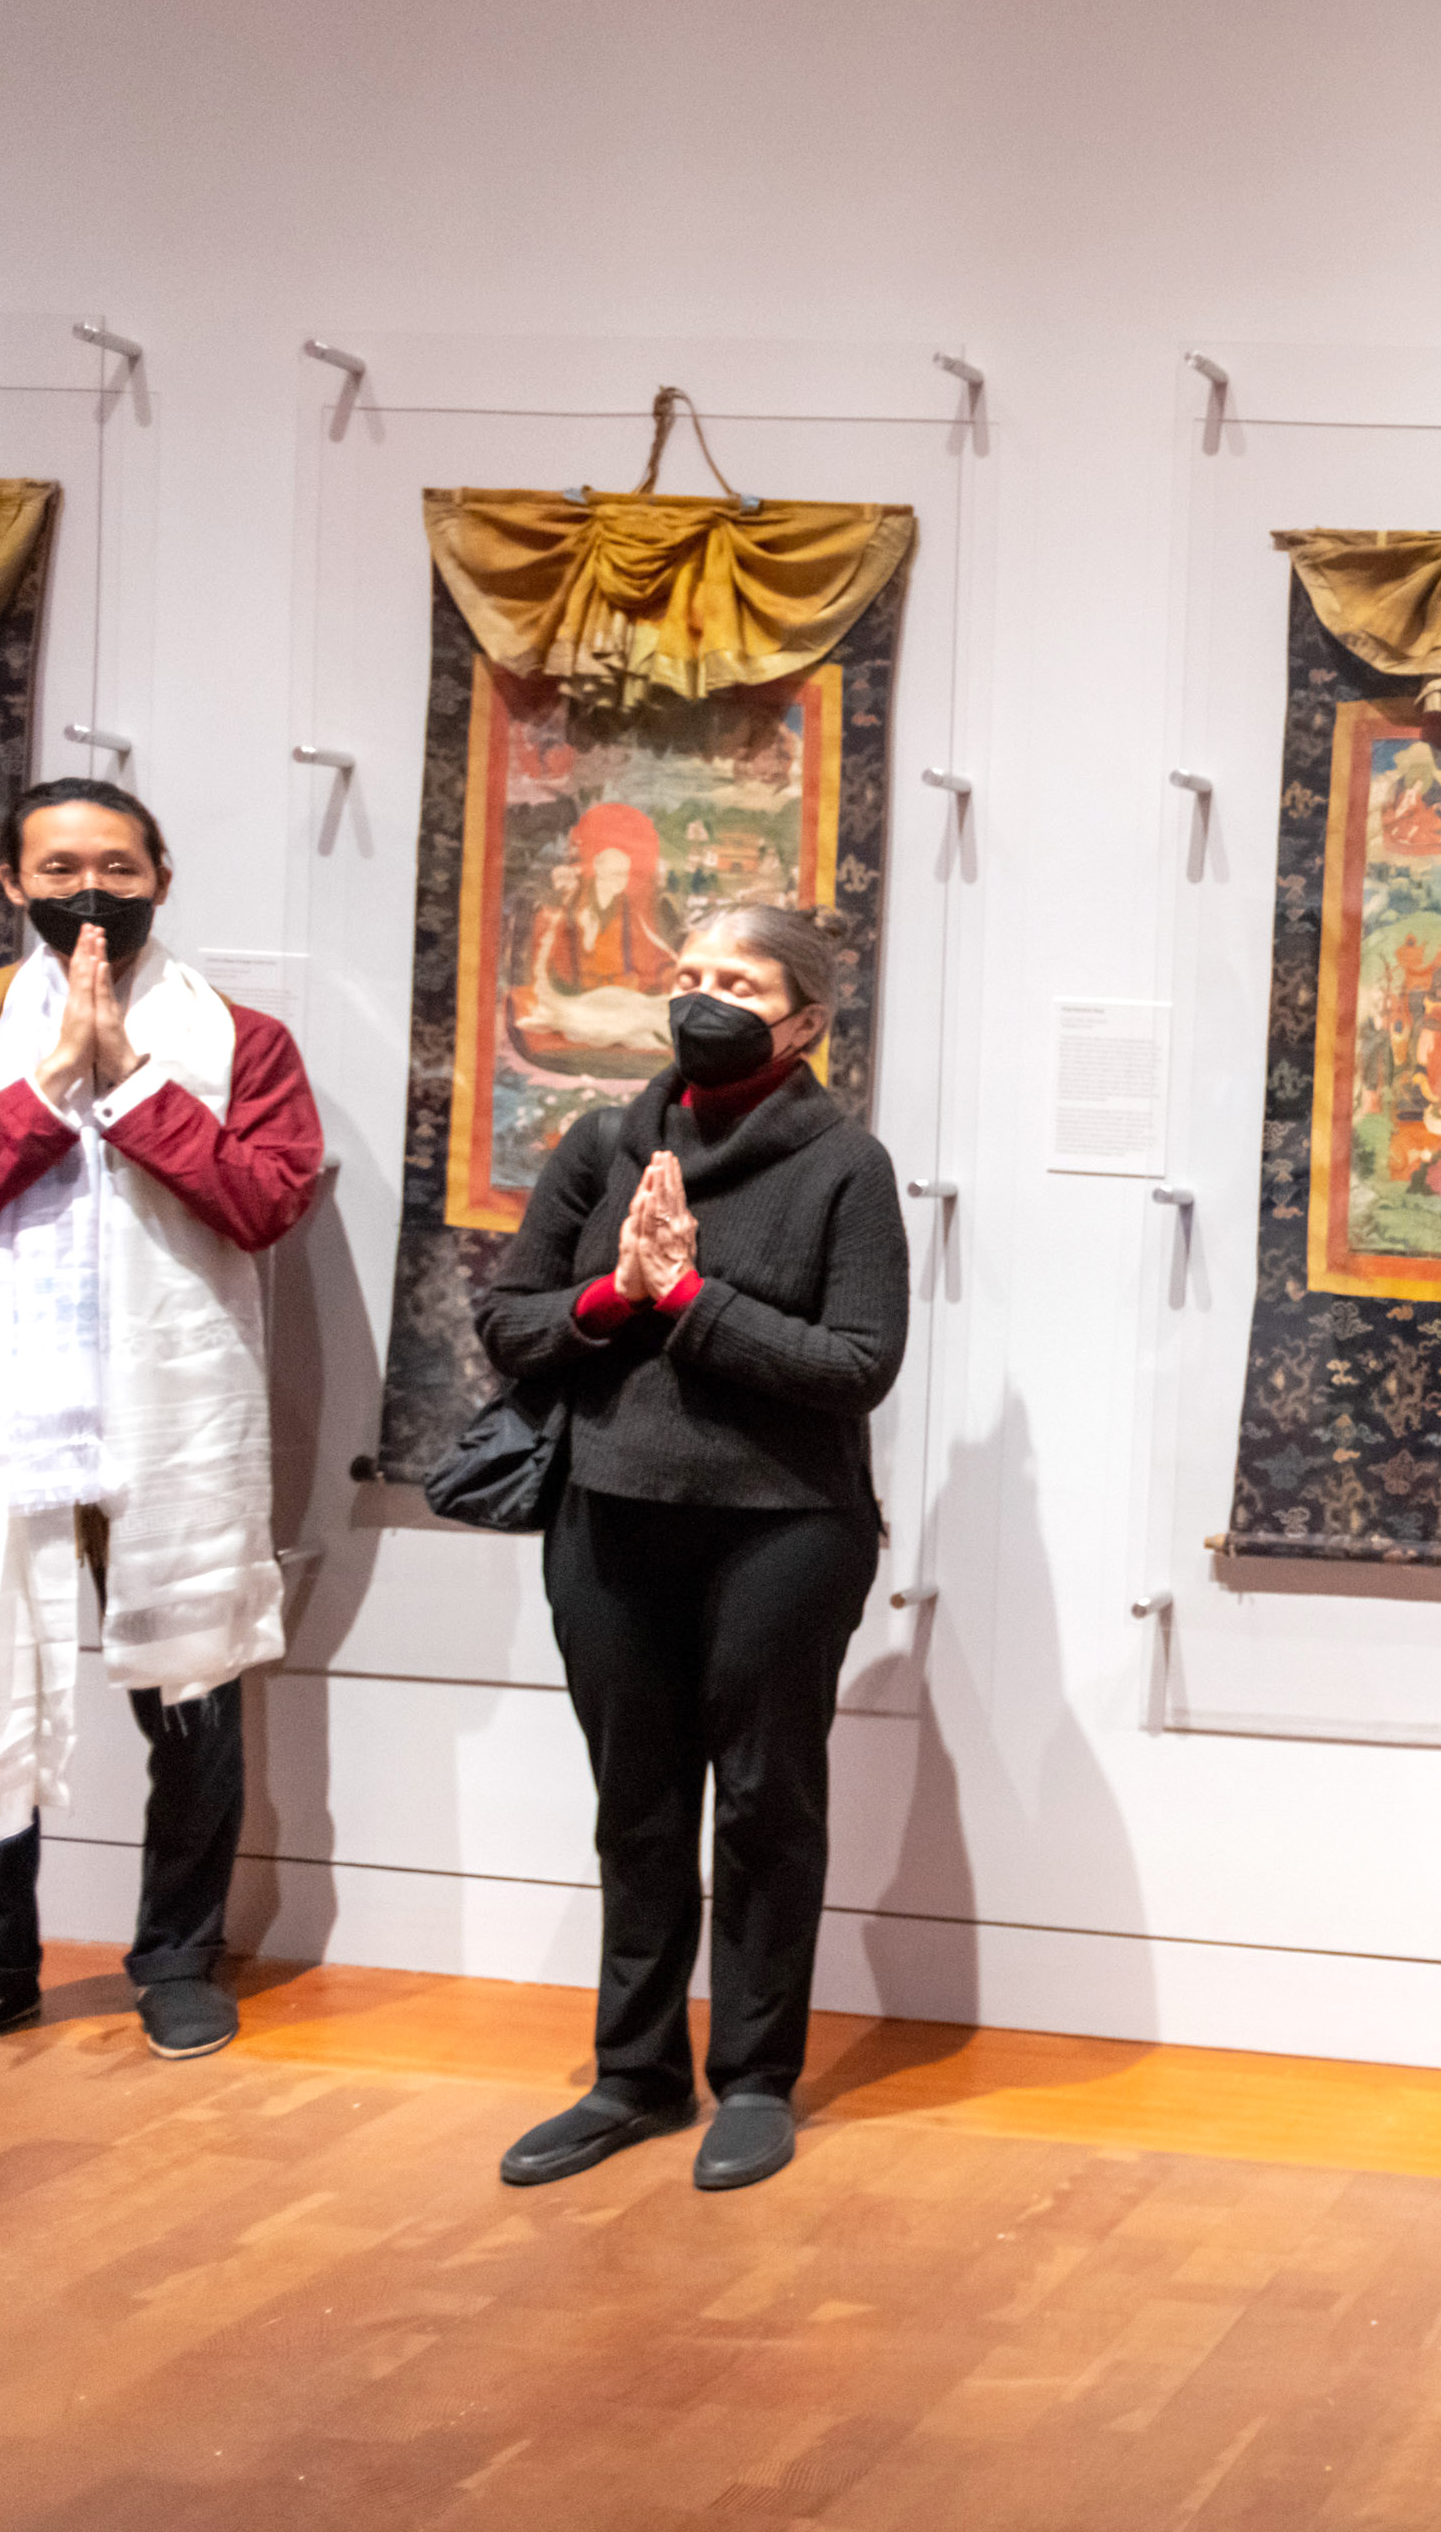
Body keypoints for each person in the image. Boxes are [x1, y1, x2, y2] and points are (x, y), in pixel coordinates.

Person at [475, 902, 907, 2193]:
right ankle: (635, 2075)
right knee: (639, 1806)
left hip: (784, 1530)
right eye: (693, 974)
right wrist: (616, 1294)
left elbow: (858, 1365)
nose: (706, 997)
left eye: (744, 981)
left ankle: (758, 2078)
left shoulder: (846, 1165)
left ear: (807, 1021)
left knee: (769, 1803)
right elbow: (512, 1322)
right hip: (608, 1515)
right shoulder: (604, 1140)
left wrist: (692, 1302)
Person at [0, 779, 321, 2070]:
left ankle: (178, 1960)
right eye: (62, 867)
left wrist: (132, 1082)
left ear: (162, 877)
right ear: (15, 888)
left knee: (192, 1709)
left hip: (173, 1438)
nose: (95, 890)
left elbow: (263, 1203)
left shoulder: (243, 1043)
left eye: (120, 867)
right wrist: (43, 1097)